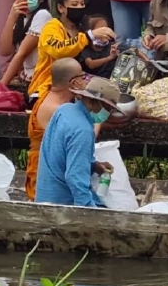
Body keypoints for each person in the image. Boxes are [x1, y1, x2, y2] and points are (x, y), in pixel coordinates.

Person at [35, 76, 120, 207]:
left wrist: (93, 164)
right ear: (93, 101)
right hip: (62, 204)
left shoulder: (65, 109)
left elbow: (62, 152)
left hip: (44, 196)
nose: (108, 113)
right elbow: (76, 178)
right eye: (107, 108)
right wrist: (89, 213)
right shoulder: (83, 130)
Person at [28, 0, 114, 99]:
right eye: (74, 4)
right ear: (61, 8)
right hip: (46, 88)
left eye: (82, 4)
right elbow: (59, 50)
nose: (79, 7)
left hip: (74, 86)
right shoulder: (51, 27)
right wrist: (89, 36)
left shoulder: (82, 27)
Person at [25, 57, 84, 201]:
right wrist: (99, 121)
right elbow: (82, 139)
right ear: (74, 82)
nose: (84, 82)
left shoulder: (50, 94)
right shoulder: (56, 109)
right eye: (82, 78)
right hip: (43, 172)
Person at [0, 0, 53, 87]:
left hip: (41, 80)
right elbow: (5, 51)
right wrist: (11, 16)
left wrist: (2, 84)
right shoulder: (21, 20)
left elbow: (22, 53)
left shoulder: (43, 15)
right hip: (26, 79)